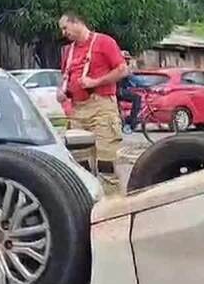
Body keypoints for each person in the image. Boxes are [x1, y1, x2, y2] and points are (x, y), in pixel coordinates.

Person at [57, 12, 128, 176]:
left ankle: (112, 200)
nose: (63, 33)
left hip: (101, 107)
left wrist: (95, 82)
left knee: (106, 162)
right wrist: (61, 92)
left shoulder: (104, 42)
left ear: (77, 23)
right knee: (80, 164)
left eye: (65, 28)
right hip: (77, 110)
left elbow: (122, 70)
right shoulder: (68, 51)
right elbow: (65, 78)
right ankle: (89, 199)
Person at [116, 52, 145, 134]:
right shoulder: (123, 68)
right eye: (126, 59)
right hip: (119, 92)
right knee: (137, 98)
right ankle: (132, 122)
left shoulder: (118, 67)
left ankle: (126, 121)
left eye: (128, 59)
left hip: (116, 91)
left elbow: (130, 82)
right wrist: (146, 86)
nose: (128, 61)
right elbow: (135, 80)